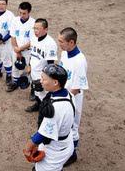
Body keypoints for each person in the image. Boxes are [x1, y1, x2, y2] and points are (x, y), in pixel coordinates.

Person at [23, 64, 75, 171]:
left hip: (55, 150)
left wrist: (28, 148)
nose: (41, 81)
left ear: (55, 82)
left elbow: (41, 135)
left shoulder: (55, 109)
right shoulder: (68, 94)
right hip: (65, 142)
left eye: (44, 79)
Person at [58, 27, 89, 167]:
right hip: (62, 95)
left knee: (73, 127)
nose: (60, 44)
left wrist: (63, 99)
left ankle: (73, 154)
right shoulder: (65, 53)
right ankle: (65, 149)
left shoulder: (79, 61)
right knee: (63, 125)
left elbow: (77, 88)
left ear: (71, 42)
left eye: (61, 42)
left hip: (72, 99)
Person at [25, 18, 57, 112]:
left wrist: (45, 78)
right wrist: (29, 65)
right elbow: (32, 54)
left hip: (42, 75)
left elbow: (51, 64)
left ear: (46, 29)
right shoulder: (34, 38)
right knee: (37, 92)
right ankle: (38, 105)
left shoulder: (50, 44)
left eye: (38, 29)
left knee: (45, 94)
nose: (35, 31)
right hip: (34, 71)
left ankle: (45, 110)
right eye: (34, 28)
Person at [8, 2, 35, 92]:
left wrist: (20, 49)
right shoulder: (15, 20)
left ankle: (32, 89)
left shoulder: (33, 23)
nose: (22, 15)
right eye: (20, 13)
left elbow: (32, 41)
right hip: (16, 49)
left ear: (29, 12)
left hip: (28, 51)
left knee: (30, 69)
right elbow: (13, 36)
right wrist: (17, 50)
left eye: (24, 13)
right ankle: (14, 83)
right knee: (15, 67)